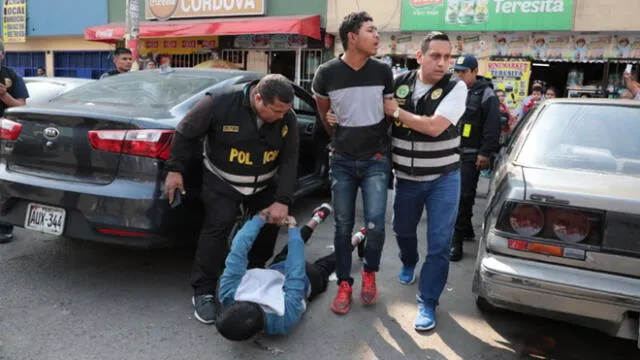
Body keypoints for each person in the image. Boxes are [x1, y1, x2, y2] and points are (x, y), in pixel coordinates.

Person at [164, 74, 300, 325]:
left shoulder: (287, 118)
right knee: (218, 226)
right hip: (222, 181)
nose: (282, 116)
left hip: (263, 185)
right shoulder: (218, 104)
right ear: (258, 98)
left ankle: (252, 278)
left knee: (268, 229)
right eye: (277, 110)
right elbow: (184, 132)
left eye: (285, 111)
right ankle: (203, 291)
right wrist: (175, 170)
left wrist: (283, 200)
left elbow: (290, 159)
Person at [382, 32, 468, 331]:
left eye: (448, 57)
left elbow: (433, 128)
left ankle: (428, 301)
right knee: (402, 229)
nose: (443, 63)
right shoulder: (398, 83)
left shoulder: (456, 88)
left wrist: (396, 112)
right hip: (405, 177)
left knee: (440, 244)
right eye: (435, 56)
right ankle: (408, 260)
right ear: (419, 56)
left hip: (444, 178)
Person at [311, 11, 394, 315]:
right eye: (371, 31)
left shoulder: (383, 72)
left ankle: (369, 272)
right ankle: (344, 283)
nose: (377, 36)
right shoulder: (326, 73)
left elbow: (389, 112)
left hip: (375, 159)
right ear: (352, 37)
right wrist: (334, 127)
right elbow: (324, 113)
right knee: (342, 225)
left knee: (375, 223)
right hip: (342, 160)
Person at [216, 203, 357, 340]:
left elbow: (296, 274)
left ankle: (357, 238)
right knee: (294, 245)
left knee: (328, 263)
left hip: (304, 278)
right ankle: (317, 218)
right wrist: (261, 219)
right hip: (280, 269)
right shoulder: (227, 295)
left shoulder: (282, 321)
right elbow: (238, 249)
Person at [449, 54, 501, 262]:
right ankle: (466, 227)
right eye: (457, 71)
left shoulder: (486, 94)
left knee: (464, 195)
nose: (459, 75)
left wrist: (485, 152)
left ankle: (456, 240)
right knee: (455, 195)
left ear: (474, 71)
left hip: (471, 154)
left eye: (463, 71)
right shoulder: (452, 90)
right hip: (450, 151)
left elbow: (492, 126)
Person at [0, 41, 30, 244]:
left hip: (4, 135)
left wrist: (3, 95)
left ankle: (3, 227)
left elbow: (21, 106)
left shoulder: (11, 76)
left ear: (2, 54)